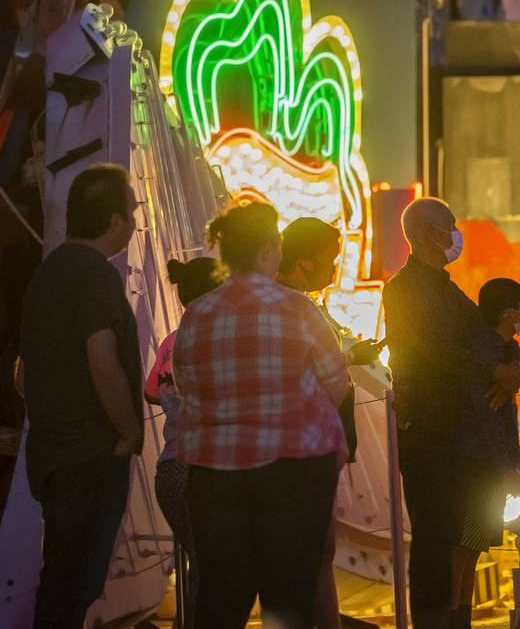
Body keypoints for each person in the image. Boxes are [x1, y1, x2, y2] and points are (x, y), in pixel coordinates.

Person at [173, 202, 349, 629]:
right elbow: (337, 381)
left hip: (213, 472)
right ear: (271, 249)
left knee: (221, 589)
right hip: (294, 469)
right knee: (287, 593)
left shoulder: (197, 313)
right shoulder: (297, 308)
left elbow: (184, 384)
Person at [383, 198, 520, 629]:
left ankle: (457, 620)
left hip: (462, 429)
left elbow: (486, 331)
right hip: (427, 424)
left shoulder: (446, 285)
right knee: (435, 534)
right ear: (427, 234)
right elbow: (436, 348)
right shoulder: (404, 288)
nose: (455, 235)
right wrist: (494, 370)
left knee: (467, 535)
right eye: (449, 227)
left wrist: (513, 366)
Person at [20, 163, 141, 627]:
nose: (134, 221)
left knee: (61, 578)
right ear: (114, 220)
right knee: (77, 586)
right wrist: (128, 432)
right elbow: (101, 356)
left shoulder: (47, 274)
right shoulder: (96, 275)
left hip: (51, 453)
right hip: (90, 454)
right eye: (131, 211)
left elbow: (22, 371)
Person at [277, 217, 382, 629]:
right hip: (305, 445)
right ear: (300, 262)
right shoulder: (294, 304)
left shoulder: (304, 302)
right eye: (328, 260)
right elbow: (328, 375)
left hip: (313, 445)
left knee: (317, 549)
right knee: (309, 549)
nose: (333, 268)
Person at [144, 256, 226, 627]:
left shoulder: (170, 342)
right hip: (202, 468)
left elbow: (149, 391)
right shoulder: (217, 336)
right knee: (214, 570)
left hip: (170, 469)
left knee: (204, 566)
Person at [463, 278, 520, 559]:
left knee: (477, 545)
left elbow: (518, 360)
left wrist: (515, 466)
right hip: (478, 461)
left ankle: (462, 606)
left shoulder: (508, 351)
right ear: (507, 314)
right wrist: (506, 470)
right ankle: (456, 605)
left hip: (493, 463)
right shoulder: (485, 354)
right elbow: (486, 419)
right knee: (467, 545)